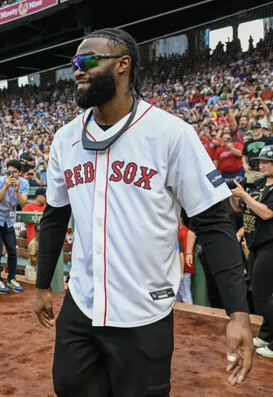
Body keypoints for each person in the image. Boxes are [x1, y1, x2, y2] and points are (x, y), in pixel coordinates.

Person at [34, 28, 253, 397]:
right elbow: (55, 215)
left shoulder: (171, 134)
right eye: (74, 63)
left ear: (123, 65)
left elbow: (213, 223)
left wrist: (238, 313)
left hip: (143, 310)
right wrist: (42, 285)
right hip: (82, 301)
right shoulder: (65, 138)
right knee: (70, 386)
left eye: (87, 61)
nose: (77, 71)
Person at [230, 145, 273, 358]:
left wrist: (245, 197)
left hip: (270, 244)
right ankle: (266, 334)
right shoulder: (257, 183)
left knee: (264, 295)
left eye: (266, 161)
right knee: (259, 293)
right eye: (261, 161)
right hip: (255, 243)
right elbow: (241, 209)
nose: (261, 164)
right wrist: (235, 195)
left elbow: (266, 213)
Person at [0, 159, 29, 294]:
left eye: (15, 172)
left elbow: (23, 204)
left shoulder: (24, 183)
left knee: (12, 250)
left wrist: (17, 191)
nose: (11, 175)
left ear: (20, 173)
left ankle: (11, 279)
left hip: (9, 220)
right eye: (9, 172)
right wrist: (6, 187)